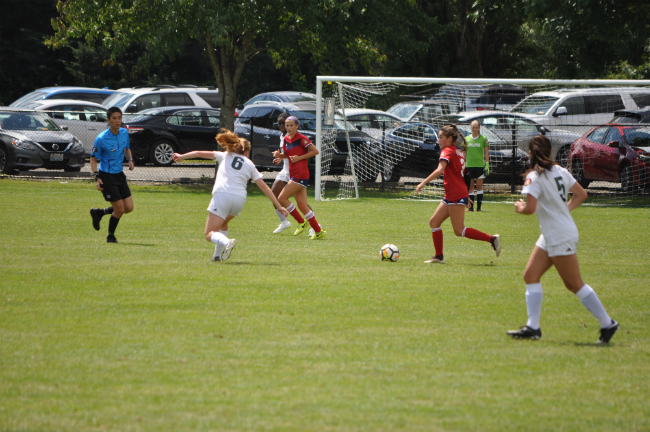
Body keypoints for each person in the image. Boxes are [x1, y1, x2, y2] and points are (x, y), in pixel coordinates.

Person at [508, 135, 619, 343]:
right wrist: (562, 212)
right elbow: (581, 194)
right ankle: (533, 327)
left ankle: (607, 323)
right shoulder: (560, 171)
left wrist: (519, 207)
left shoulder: (533, 176)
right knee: (530, 275)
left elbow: (529, 209)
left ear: (531, 154)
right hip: (554, 232)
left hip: (559, 234)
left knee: (574, 283)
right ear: (550, 152)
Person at [172, 129, 288, 262]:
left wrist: (181, 157)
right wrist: (279, 206)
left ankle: (227, 242)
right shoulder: (250, 164)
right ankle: (216, 256)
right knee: (224, 223)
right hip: (239, 200)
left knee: (209, 234)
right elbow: (265, 188)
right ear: (246, 152)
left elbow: (198, 153)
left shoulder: (225, 155)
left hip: (223, 195)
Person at [415, 124, 500, 264]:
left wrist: (423, 183)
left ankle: (492, 239)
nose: (438, 140)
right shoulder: (457, 152)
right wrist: (465, 194)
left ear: (449, 139)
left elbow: (440, 169)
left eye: (441, 137)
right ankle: (439, 256)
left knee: (459, 230)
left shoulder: (447, 151)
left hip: (455, 193)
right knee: (434, 222)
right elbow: (462, 176)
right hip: (453, 194)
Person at [272, 116, 325, 239]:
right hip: (293, 173)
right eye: (287, 125)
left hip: (301, 174)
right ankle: (318, 231)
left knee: (281, 198)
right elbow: (287, 154)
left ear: (297, 126)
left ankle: (301, 222)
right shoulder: (285, 139)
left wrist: (299, 158)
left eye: (291, 125)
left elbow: (315, 151)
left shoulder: (302, 139)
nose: (289, 128)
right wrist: (279, 155)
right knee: (302, 205)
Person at [89, 107, 135, 243]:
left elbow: (127, 148)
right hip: (106, 176)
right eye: (114, 118)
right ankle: (110, 236)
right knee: (120, 209)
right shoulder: (101, 138)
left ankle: (99, 213)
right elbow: (93, 158)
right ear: (108, 120)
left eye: (119, 118)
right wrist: (96, 177)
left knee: (128, 208)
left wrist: (130, 159)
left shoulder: (124, 133)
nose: (117, 121)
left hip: (119, 175)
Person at [270, 112, 292, 234]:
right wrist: (280, 158)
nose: (282, 126)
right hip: (285, 171)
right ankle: (284, 222)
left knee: (301, 202)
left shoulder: (293, 136)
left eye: (284, 123)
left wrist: (281, 155)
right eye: (280, 123)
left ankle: (315, 225)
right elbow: (287, 154)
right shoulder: (282, 136)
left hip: (294, 172)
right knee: (273, 195)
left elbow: (294, 153)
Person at [464, 120, 490, 212]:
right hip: (469, 166)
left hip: (479, 166)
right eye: (473, 127)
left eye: (476, 127)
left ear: (479, 128)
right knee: (470, 187)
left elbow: (486, 152)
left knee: (479, 186)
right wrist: (462, 164)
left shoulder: (483, 139)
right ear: (470, 128)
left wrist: (487, 165)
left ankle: (479, 208)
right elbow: (464, 152)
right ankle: (471, 208)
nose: (474, 129)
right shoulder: (466, 139)